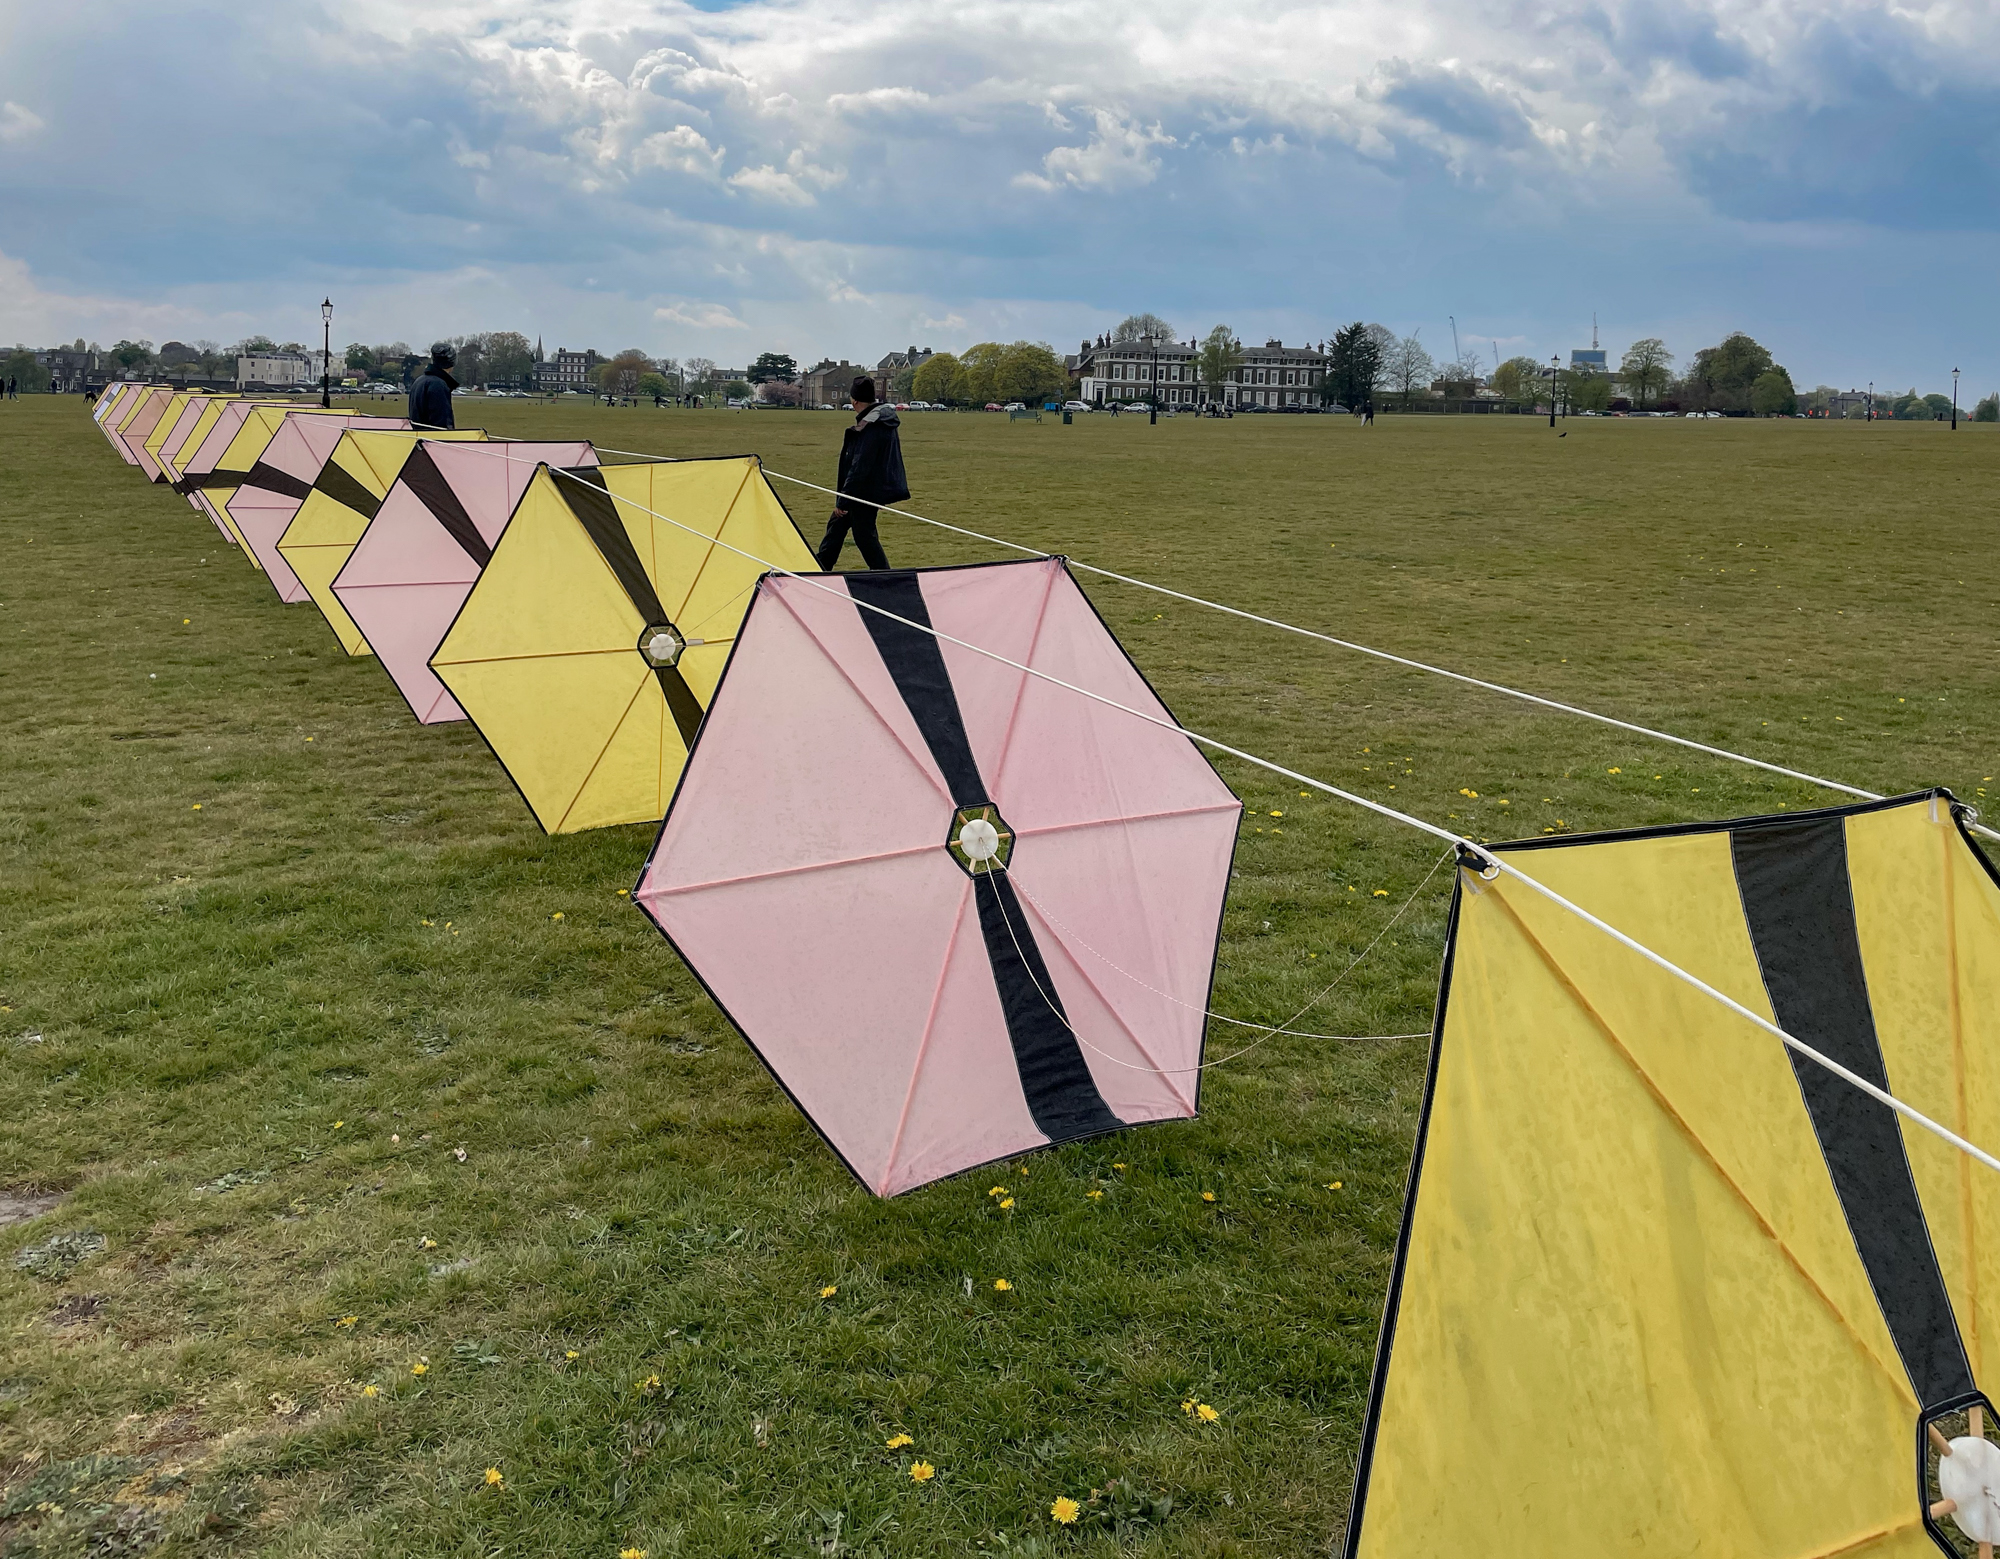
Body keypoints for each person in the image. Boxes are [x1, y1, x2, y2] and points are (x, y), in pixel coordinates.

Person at [816, 376, 906, 571]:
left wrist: (843, 500)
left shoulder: (870, 426)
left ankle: (886, 578)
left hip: (862, 493)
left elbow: (860, 467)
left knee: (865, 537)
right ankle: (819, 570)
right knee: (836, 529)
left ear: (854, 401)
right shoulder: (884, 420)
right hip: (868, 490)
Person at [408, 342, 458, 429]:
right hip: (431, 436)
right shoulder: (438, 385)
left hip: (418, 434)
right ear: (452, 362)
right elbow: (441, 422)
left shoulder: (420, 380)